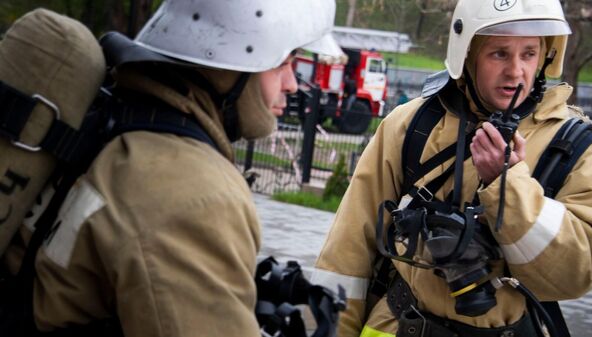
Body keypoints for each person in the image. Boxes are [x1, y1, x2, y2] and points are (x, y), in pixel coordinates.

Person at [1, 0, 343, 336]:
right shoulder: (193, 192)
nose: (293, 84)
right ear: (234, 65)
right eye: (283, 63)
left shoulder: (122, 121)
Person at [311, 0, 592, 336]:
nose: (516, 70)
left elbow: (577, 273)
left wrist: (507, 185)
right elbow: (347, 253)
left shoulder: (574, 147)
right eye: (499, 53)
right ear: (468, 54)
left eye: (529, 53)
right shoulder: (410, 125)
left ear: (546, 56)